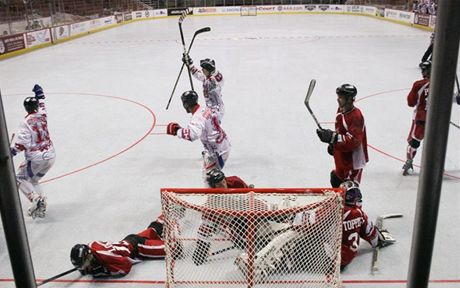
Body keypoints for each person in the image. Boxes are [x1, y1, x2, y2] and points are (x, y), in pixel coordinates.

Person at [69, 215, 181, 277]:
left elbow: (125, 266)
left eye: (85, 264)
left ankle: (173, 221)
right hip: (129, 240)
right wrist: (85, 267)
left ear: (89, 256)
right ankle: (169, 212)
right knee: (154, 229)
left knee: (174, 249)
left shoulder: (104, 255)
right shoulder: (92, 245)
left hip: (138, 249)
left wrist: (102, 270)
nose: (85, 268)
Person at [10, 84, 56, 219]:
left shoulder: (25, 122)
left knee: (20, 178)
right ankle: (42, 202)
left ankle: (35, 199)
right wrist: (39, 95)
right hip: (51, 156)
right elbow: (42, 104)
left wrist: (11, 152)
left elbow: (22, 144)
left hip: (37, 158)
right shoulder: (42, 114)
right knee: (34, 180)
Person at [166, 90, 231, 185]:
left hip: (217, 152)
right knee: (211, 175)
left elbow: (193, 134)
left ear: (185, 104)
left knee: (210, 179)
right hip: (223, 144)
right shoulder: (206, 109)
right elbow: (219, 113)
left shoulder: (197, 118)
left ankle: (218, 197)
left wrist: (177, 131)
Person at [316, 84, 368, 187]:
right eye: (338, 97)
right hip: (343, 159)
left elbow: (354, 141)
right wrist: (333, 145)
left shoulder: (356, 116)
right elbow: (341, 132)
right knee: (335, 179)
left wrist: (333, 137)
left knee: (349, 193)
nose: (338, 100)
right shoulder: (341, 110)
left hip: (352, 163)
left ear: (349, 99)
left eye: (341, 97)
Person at [340, 180, 395, 270]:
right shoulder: (359, 214)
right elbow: (372, 236)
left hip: (328, 257)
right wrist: (380, 238)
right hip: (345, 260)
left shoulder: (333, 210)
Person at [403, 61, 431, 175]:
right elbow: (451, 99)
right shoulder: (442, 84)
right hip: (437, 119)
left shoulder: (419, 84)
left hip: (420, 119)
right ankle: (437, 164)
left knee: (414, 142)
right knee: (434, 142)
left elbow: (411, 102)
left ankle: (409, 161)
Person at [183, 55, 225, 122]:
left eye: (204, 68)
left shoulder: (214, 80)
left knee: (204, 123)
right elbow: (198, 74)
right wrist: (190, 64)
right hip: (210, 109)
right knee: (201, 121)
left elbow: (218, 79)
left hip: (216, 110)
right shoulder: (206, 77)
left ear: (209, 69)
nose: (202, 70)